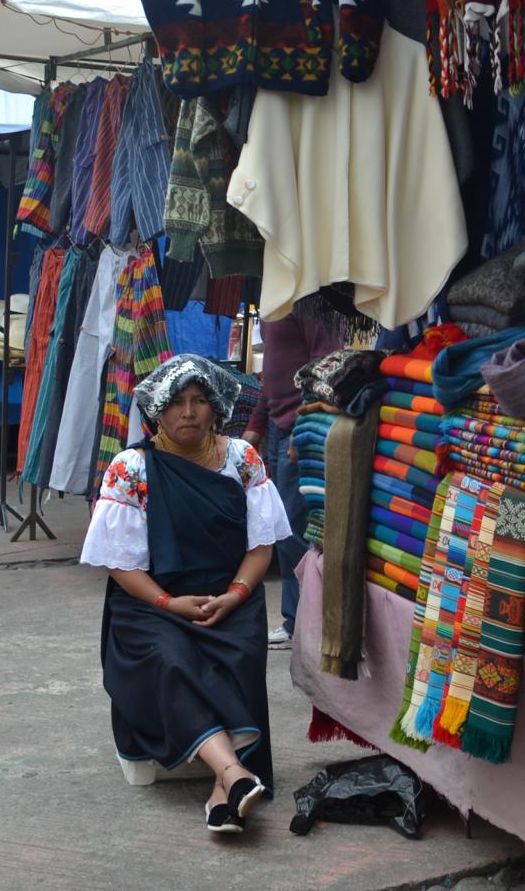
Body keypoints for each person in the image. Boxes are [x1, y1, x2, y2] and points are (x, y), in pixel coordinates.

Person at [80, 354, 293, 835]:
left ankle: (225, 788)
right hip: (152, 603)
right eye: (176, 402)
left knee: (239, 656)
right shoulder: (130, 467)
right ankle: (236, 772)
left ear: (216, 406)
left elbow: (261, 546)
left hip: (229, 598)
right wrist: (167, 603)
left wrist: (236, 595)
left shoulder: (242, 459)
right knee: (171, 659)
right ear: (157, 411)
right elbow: (120, 562)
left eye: (199, 401)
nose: (190, 412)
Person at [240, 310, 345, 649]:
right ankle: (296, 619)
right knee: (283, 531)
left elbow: (325, 364)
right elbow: (272, 375)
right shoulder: (272, 304)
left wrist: (306, 426)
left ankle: (304, 621)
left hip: (297, 430)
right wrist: (255, 426)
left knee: (296, 532)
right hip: (277, 428)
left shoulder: (307, 302)